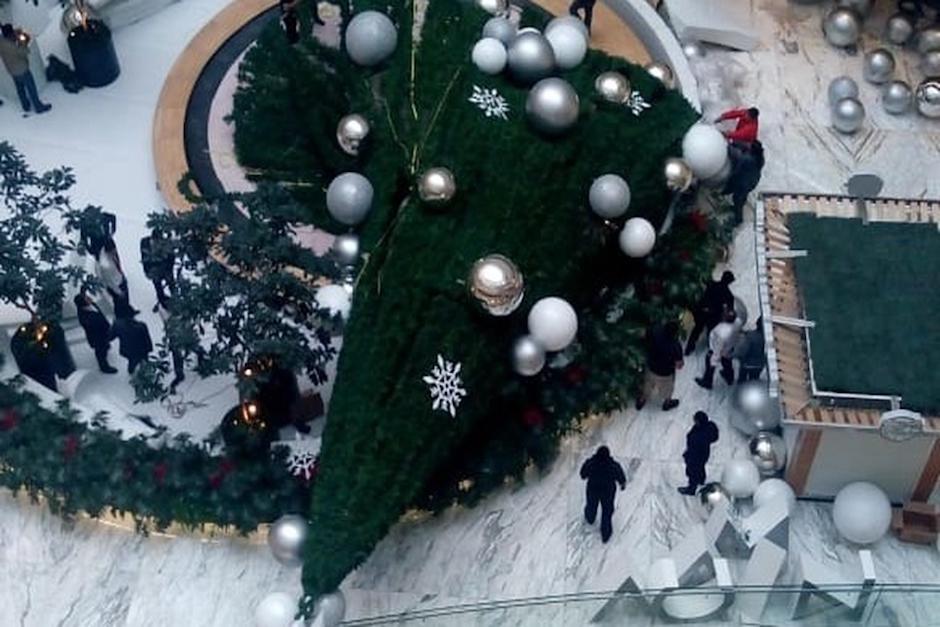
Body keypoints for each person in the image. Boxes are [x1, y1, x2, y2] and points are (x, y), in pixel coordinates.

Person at [0, 24, 51, 114]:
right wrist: (22, 42)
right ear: (9, 34)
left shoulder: (1, 41)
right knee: (31, 88)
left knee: (20, 89)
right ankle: (38, 106)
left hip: (12, 70)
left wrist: (16, 33)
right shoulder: (12, 47)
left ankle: (25, 106)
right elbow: (25, 52)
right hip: (22, 70)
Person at [580, 445, 626, 543]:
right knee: (607, 511)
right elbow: (620, 476)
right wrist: (622, 484)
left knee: (591, 506)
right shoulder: (613, 465)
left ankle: (590, 518)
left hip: (593, 489)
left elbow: (583, 474)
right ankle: (606, 534)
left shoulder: (591, 463)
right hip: (608, 491)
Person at [635, 321, 684, 412]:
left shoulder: (655, 330)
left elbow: (642, 334)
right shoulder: (675, 346)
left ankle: (641, 401)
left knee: (647, 385)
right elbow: (679, 365)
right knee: (667, 389)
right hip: (665, 373)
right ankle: (667, 404)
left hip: (651, 367)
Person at [685, 270, 735, 355]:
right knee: (711, 332)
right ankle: (710, 350)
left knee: (697, 329)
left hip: (701, 310)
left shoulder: (712, 284)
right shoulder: (729, 295)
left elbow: (704, 280)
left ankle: (689, 348)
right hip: (713, 315)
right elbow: (730, 310)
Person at [695, 306, 741, 390]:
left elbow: (718, 348)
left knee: (710, 365)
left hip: (718, 349)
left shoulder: (722, 333)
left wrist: (714, 361)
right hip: (730, 347)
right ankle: (729, 377)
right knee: (727, 362)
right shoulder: (738, 322)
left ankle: (707, 381)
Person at [74, 292, 118, 374]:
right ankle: (104, 367)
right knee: (100, 351)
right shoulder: (84, 317)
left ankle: (106, 346)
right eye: (87, 299)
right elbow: (93, 326)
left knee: (104, 345)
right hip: (97, 337)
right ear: (83, 303)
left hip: (104, 331)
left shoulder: (92, 305)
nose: (90, 298)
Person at [724, 141, 765, 225]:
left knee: (737, 199)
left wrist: (728, 147)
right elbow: (744, 146)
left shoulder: (747, 159)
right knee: (743, 197)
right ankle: (740, 205)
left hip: (743, 184)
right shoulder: (760, 158)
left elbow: (736, 169)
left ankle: (738, 219)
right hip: (753, 181)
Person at [678, 411, 719, 495]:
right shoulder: (706, 428)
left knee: (692, 471)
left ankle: (691, 489)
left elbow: (694, 445)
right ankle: (701, 481)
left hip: (696, 455)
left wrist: (688, 455)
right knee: (700, 468)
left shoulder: (700, 434)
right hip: (703, 454)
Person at [97, 238, 136, 316]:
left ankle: (129, 311)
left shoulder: (108, 251)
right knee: (119, 303)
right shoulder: (105, 265)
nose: (115, 251)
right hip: (116, 285)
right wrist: (118, 292)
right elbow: (110, 282)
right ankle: (122, 317)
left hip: (119, 277)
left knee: (126, 299)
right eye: (113, 251)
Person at [141, 230, 175, 311]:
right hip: (153, 269)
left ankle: (176, 300)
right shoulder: (145, 242)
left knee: (172, 285)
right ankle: (163, 302)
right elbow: (144, 257)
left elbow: (171, 258)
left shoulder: (166, 244)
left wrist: (168, 271)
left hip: (166, 268)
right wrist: (148, 271)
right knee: (158, 285)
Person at [734, 316, 766, 383]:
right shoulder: (767, 338)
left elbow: (742, 350)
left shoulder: (750, 336)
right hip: (759, 364)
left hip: (747, 363)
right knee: (754, 380)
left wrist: (733, 355)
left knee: (742, 381)